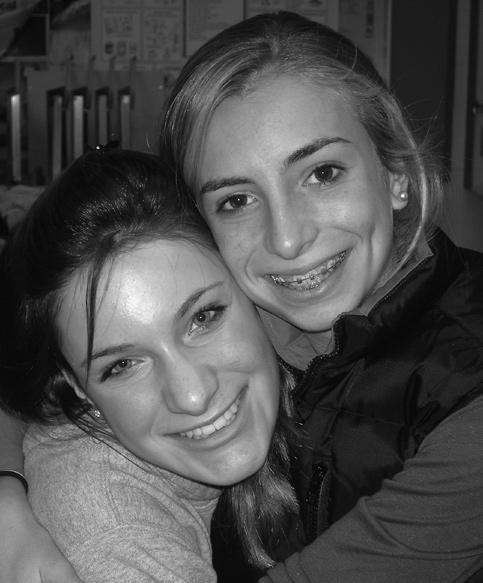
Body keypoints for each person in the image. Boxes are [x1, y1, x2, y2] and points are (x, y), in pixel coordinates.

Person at [1, 9, 483, 583]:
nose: (287, 239)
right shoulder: (261, 306)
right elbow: (41, 375)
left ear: (396, 171)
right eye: (236, 201)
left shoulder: (464, 402)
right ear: (203, 230)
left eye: (323, 173)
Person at [0, 147, 299, 583]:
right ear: (77, 386)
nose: (192, 395)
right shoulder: (116, 539)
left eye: (204, 318)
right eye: (122, 364)